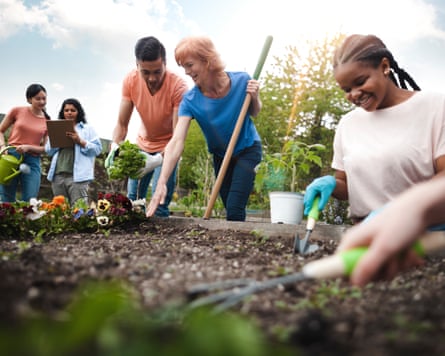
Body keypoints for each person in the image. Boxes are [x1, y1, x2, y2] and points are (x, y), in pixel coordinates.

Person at [303, 34, 445, 224]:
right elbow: (347, 186)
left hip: (424, 233)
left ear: (385, 67)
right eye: (346, 90)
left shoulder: (434, 107)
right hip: (364, 234)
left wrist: (402, 210)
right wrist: (331, 185)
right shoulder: (348, 124)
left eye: (360, 82)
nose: (354, 94)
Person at [146, 36, 263, 221]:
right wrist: (161, 181)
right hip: (221, 155)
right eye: (183, 66)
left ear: (207, 60)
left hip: (248, 149)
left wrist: (255, 97)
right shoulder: (190, 101)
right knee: (228, 205)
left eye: (190, 65)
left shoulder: (242, 81)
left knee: (234, 208)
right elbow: (176, 141)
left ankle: (236, 247)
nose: (186, 72)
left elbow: (255, 112)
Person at [105, 36, 188, 217]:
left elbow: (177, 136)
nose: (151, 78)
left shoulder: (178, 86)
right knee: (133, 201)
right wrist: (115, 146)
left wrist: (158, 160)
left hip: (167, 149)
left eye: (157, 72)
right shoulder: (130, 81)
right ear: (137, 65)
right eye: (145, 72)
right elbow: (121, 124)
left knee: (159, 204)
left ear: (165, 63)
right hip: (142, 146)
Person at [337, 177, 445, 286]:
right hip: (373, 228)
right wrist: (335, 183)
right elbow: (347, 185)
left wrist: (422, 204)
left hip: (428, 227)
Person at [45, 98, 102, 206]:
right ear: (63, 112)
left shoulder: (87, 129)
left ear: (78, 112)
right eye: (66, 110)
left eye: (73, 110)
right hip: (58, 176)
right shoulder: (57, 128)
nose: (69, 112)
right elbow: (48, 151)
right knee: (60, 211)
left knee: (79, 211)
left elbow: (97, 150)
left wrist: (80, 141)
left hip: (78, 178)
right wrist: (59, 141)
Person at [0, 83, 50, 202]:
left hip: (32, 160)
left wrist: (28, 147)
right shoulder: (17, 111)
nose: (42, 101)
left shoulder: (47, 121)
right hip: (11, 156)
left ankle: (27, 220)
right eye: (38, 98)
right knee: (7, 198)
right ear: (29, 99)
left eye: (44, 98)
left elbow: (45, 148)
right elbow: (0, 130)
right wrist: (2, 147)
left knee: (30, 199)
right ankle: (7, 220)